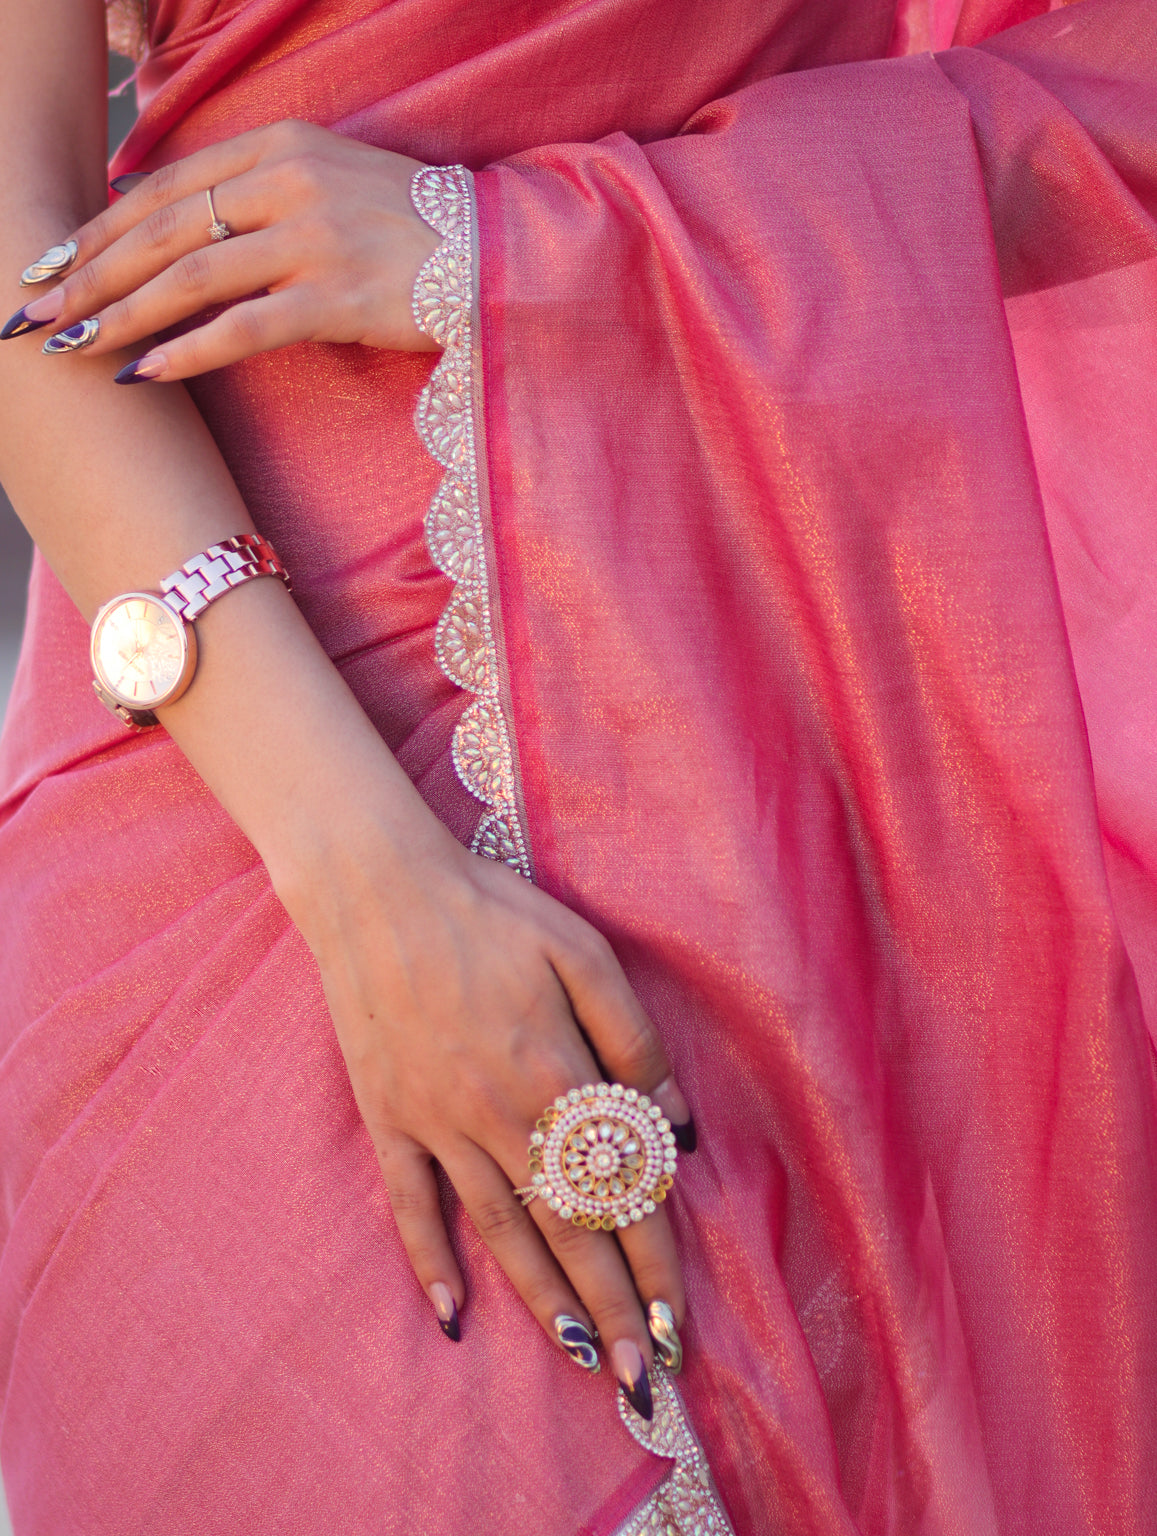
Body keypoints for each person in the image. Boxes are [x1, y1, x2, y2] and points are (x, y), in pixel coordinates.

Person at [0, 0, 1155, 1530]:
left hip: (748, 758)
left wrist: (518, 247)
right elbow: (17, 236)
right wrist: (371, 890)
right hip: (224, 782)